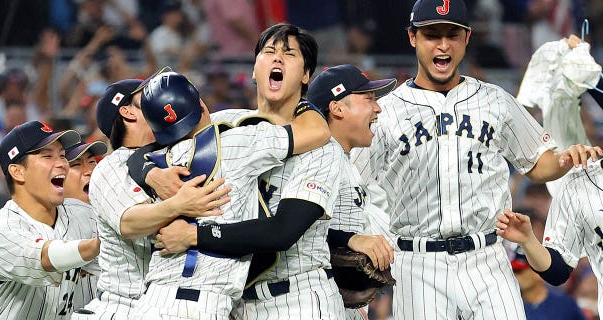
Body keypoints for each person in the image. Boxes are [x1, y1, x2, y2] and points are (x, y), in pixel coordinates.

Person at [349, 0, 603, 319]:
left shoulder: (495, 100)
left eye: (452, 35)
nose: (443, 45)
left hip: (487, 258)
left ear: (467, 38)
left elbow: (538, 164)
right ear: (413, 37)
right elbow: (352, 187)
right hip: (417, 261)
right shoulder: (385, 112)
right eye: (432, 35)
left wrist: (567, 158)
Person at [142, 23, 347, 319]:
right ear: (254, 70)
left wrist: (194, 235)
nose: (277, 59)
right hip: (232, 302)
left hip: (297, 298)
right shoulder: (225, 123)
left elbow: (282, 232)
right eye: (268, 52)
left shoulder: (322, 148)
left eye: (289, 54)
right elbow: (146, 149)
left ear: (305, 76)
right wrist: (150, 171)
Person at [72, 77, 231, 319]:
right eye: (145, 96)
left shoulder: (174, 152)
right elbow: (129, 222)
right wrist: (178, 204)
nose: (156, 98)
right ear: (127, 112)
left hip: (171, 305)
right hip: (122, 306)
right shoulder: (113, 166)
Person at [0, 120, 99, 319]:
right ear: (18, 171)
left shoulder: (80, 214)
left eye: (63, 156)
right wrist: (97, 245)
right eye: (48, 156)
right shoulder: (1, 229)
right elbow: (45, 258)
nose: (61, 164)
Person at [305, 64, 396, 318]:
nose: (377, 108)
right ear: (338, 108)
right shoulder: (319, 159)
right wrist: (349, 239)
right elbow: (294, 229)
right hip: (310, 301)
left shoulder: (344, 161)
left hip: (333, 300)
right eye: (368, 99)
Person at [496, 159, 603, 316]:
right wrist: (528, 240)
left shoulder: (564, 305)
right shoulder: (579, 184)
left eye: (519, 271)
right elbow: (558, 271)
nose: (516, 276)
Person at [62, 140, 108, 309]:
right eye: (76, 165)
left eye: (92, 162)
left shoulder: (107, 210)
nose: (90, 171)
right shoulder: (64, 216)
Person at [510, 244, 585, 320]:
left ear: (537, 272)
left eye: (519, 271)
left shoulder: (565, 305)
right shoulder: (510, 308)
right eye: (512, 271)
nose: (514, 275)